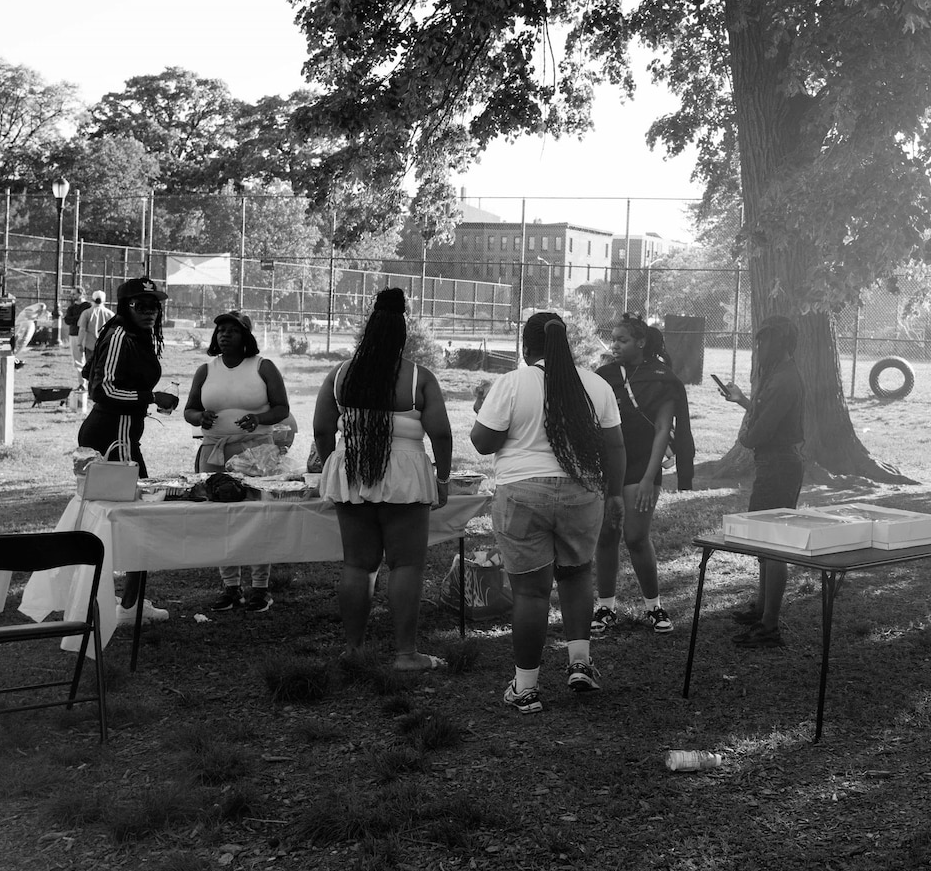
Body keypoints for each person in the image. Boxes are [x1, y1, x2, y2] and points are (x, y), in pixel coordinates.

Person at [471, 311, 624, 713]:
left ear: (526, 347)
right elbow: (615, 447)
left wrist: (480, 410)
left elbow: (484, 443)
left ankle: (526, 688)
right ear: (565, 343)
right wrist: (617, 495)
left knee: (531, 593)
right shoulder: (595, 384)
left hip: (523, 494)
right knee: (575, 578)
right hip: (583, 493)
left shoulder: (513, 383)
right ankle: (580, 664)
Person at [312, 287, 453, 671]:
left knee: (358, 565)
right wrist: (443, 478)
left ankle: (354, 651)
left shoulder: (340, 374)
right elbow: (440, 433)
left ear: (367, 330)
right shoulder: (418, 378)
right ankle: (406, 655)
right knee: (406, 565)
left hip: (353, 467)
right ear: (402, 333)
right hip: (405, 474)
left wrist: (333, 469)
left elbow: (323, 431)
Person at [77, 276, 180, 623]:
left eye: (154, 305)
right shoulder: (120, 333)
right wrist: (151, 397)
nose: (150, 311)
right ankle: (120, 607)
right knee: (137, 521)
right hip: (113, 439)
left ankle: (125, 604)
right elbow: (102, 390)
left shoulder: (136, 335)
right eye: (141, 305)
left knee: (127, 521)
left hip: (120, 436)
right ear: (126, 307)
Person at [184, 310, 292, 613]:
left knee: (258, 516)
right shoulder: (206, 370)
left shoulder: (263, 367)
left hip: (256, 452)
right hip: (214, 453)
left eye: (233, 330)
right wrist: (199, 417)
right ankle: (230, 586)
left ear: (246, 337)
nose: (225, 334)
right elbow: (190, 410)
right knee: (221, 519)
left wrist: (258, 419)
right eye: (220, 330)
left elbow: (281, 408)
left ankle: (260, 588)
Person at [590, 313, 690, 636]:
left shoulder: (662, 378)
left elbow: (663, 429)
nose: (615, 345)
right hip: (609, 464)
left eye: (623, 340)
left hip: (642, 466)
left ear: (641, 342)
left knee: (635, 536)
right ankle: (605, 607)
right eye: (613, 338)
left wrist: (649, 478)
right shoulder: (603, 375)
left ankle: (653, 606)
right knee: (607, 533)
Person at [718, 315, 806, 649]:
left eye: (765, 342)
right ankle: (762, 609)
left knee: (774, 546)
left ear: (781, 343)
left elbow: (755, 435)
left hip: (780, 466)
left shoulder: (784, 379)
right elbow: (764, 413)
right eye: (759, 341)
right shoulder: (778, 375)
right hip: (775, 464)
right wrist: (743, 400)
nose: (760, 348)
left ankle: (770, 626)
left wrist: (745, 426)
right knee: (765, 544)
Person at [77, 289, 114, 414]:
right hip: (106, 347)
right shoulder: (110, 313)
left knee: (91, 369)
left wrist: (79, 343)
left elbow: (82, 329)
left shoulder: (87, 313)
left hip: (90, 346)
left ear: (92, 299)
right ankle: (104, 391)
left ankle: (92, 393)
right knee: (104, 369)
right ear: (104, 300)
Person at [63, 291, 89, 358]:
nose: (72, 295)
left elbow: (87, 319)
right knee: (77, 358)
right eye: (71, 294)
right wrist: (79, 318)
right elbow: (67, 320)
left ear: (81, 294)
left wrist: (75, 319)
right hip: (74, 333)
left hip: (86, 334)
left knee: (88, 356)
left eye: (74, 294)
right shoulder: (71, 307)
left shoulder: (88, 306)